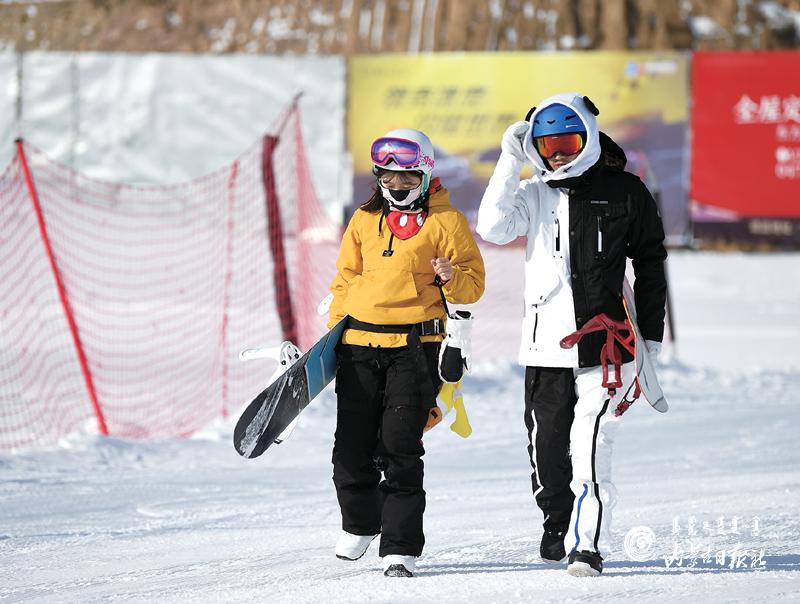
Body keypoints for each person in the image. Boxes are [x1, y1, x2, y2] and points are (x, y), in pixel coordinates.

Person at [476, 93, 667, 577]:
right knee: (547, 455)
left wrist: (651, 339)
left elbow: (649, 262)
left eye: (567, 140)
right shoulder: (534, 192)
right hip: (544, 350)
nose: (557, 151)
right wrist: (509, 158)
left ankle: (587, 545)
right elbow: (493, 227)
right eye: (546, 144)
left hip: (607, 350)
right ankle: (556, 518)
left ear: (587, 137)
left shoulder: (627, 191)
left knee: (591, 446)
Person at [328, 128, 485, 577]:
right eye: (388, 179)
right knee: (350, 451)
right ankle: (361, 521)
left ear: (426, 174)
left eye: (407, 180)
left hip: (415, 349)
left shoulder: (447, 223)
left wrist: (450, 275)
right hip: (358, 345)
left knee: (400, 446)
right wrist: (333, 332)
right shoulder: (362, 219)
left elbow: (473, 286)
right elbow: (343, 280)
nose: (396, 188)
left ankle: (400, 546)